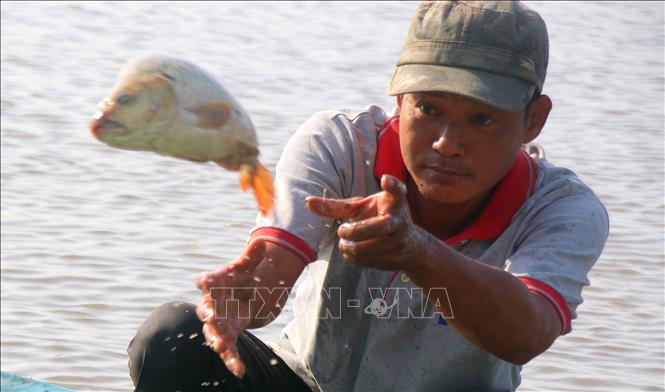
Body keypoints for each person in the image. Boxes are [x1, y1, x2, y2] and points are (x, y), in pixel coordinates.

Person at [127, 1, 609, 391]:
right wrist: (240, 303)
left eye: (481, 119)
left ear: (533, 120)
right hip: (304, 384)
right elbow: (271, 272)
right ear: (400, 100)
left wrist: (420, 253)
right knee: (171, 335)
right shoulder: (340, 146)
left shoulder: (562, 208)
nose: (445, 142)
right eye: (428, 108)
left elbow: (528, 333)